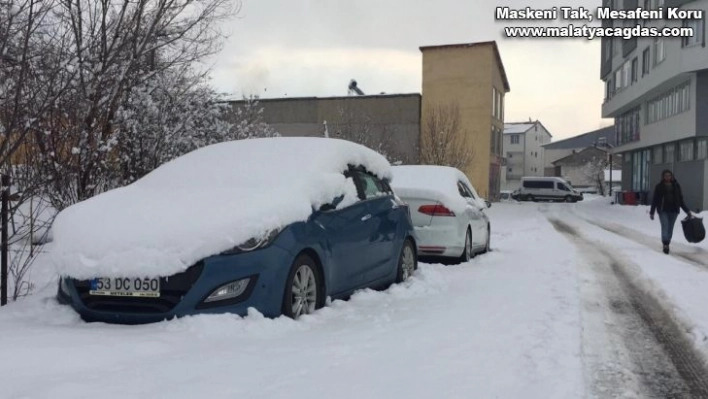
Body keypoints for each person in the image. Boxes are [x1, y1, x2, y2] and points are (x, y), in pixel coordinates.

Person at [649, 169, 693, 254]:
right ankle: (665, 244)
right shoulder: (659, 186)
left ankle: (667, 242)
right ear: (663, 177)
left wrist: (687, 211)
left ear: (672, 176)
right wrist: (652, 212)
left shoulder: (676, 186)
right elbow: (655, 199)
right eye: (666, 175)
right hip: (663, 210)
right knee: (665, 226)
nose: (667, 177)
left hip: (674, 210)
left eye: (669, 175)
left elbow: (680, 200)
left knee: (670, 228)